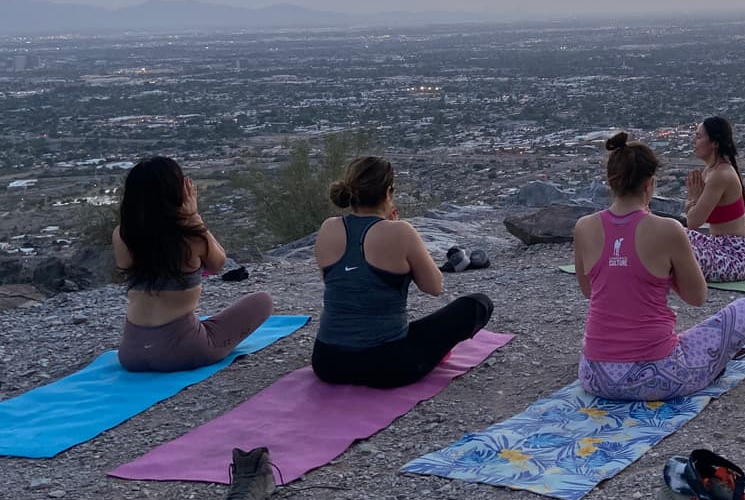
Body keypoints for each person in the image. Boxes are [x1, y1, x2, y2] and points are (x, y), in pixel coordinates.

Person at [575, 132, 745, 401]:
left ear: (611, 182)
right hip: (658, 376)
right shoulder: (668, 229)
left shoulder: (584, 226)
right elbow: (697, 297)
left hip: (595, 375)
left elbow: (589, 291)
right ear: (650, 184)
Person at [311, 155, 493, 389]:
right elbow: (434, 287)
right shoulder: (401, 231)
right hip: (387, 366)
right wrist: (399, 233)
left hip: (327, 362)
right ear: (388, 192)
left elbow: (342, 282)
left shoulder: (329, 227)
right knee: (478, 304)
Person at [113, 157, 273, 373]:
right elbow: (218, 264)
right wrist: (194, 218)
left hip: (131, 353)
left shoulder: (122, 235)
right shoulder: (190, 237)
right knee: (263, 300)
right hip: (184, 352)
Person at [683, 116, 745, 282]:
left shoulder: (721, 175)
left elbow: (693, 222)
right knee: (670, 232)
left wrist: (692, 198)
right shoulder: (709, 171)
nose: (694, 141)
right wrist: (692, 202)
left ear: (714, 143)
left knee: (673, 247)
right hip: (717, 246)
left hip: (735, 258)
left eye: (699, 137)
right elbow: (691, 216)